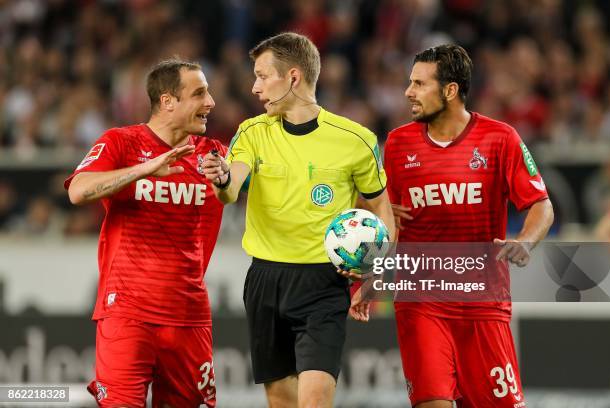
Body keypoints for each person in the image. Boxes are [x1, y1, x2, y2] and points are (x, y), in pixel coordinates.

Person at [201, 32, 395, 408]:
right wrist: (223, 176)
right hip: (266, 279)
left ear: (293, 77)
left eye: (262, 76)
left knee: (315, 399)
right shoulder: (252, 133)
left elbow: (381, 208)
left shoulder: (355, 139)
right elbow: (229, 189)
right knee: (282, 402)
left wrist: (376, 270)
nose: (255, 87)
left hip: (325, 282)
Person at [384, 44, 554, 408]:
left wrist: (524, 241)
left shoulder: (499, 138)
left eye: (418, 84)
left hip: (483, 302)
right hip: (421, 299)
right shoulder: (398, 143)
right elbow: (387, 219)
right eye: (409, 83)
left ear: (450, 90)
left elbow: (541, 204)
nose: (408, 92)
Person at [65, 59, 223, 407]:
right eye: (199, 93)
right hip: (127, 313)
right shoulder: (122, 142)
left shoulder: (214, 155)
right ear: (168, 102)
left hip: (189, 316)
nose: (211, 102)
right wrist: (144, 169)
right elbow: (78, 190)